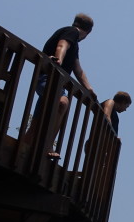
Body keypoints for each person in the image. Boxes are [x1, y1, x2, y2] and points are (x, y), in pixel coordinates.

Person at [34, 14, 97, 159]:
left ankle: (26, 145)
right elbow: (62, 45)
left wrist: (89, 88)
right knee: (63, 102)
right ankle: (47, 145)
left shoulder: (74, 45)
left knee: (36, 124)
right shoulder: (72, 32)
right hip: (49, 78)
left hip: (54, 81)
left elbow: (78, 69)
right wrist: (58, 60)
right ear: (88, 32)